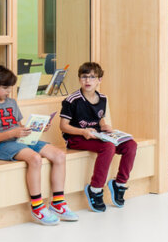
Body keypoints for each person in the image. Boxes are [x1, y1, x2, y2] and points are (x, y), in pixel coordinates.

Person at [0, 62, 71, 224]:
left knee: (59, 155)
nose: (8, 91)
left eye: (10, 87)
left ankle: (58, 203)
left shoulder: (11, 102)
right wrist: (13, 133)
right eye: (5, 88)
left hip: (20, 140)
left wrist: (37, 128)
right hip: (1, 145)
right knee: (35, 158)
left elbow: (19, 126)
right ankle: (37, 206)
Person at [59, 61, 138, 212]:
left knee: (131, 145)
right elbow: (63, 126)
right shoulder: (71, 100)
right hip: (76, 138)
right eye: (84, 77)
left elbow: (99, 117)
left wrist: (104, 126)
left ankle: (119, 184)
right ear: (79, 79)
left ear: (99, 80)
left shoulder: (102, 98)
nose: (87, 80)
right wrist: (83, 132)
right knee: (108, 147)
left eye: (92, 77)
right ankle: (95, 189)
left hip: (96, 135)